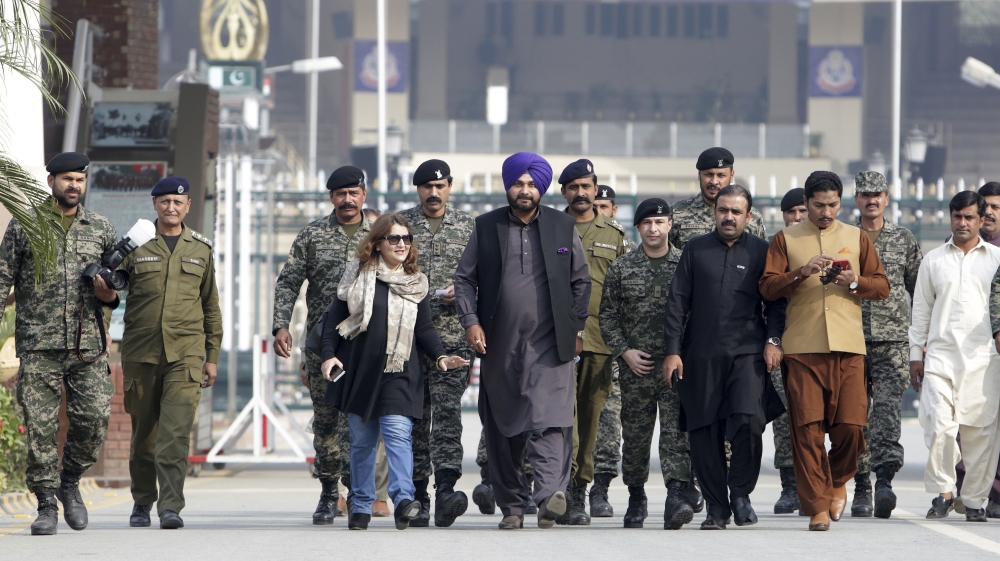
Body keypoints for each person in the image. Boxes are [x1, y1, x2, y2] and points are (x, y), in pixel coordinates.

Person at [454, 152, 591, 530]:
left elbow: (581, 281)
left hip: (551, 343)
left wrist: (576, 329)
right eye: (518, 183)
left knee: (551, 420)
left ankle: (549, 497)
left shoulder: (563, 226)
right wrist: (471, 322)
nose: (525, 190)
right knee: (504, 425)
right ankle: (513, 506)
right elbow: (464, 279)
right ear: (508, 186)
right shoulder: (486, 227)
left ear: (541, 188)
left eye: (532, 184)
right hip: (500, 344)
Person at [320, 213, 469, 530]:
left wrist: (441, 356)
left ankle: (403, 500)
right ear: (377, 243)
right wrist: (328, 356)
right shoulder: (358, 275)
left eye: (406, 238)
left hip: (399, 370)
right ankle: (361, 505)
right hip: (359, 370)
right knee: (362, 442)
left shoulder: (417, 282)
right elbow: (335, 317)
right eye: (394, 238)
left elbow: (424, 328)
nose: (402, 244)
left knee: (398, 435)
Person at [759, 171, 890, 531]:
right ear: (806, 202)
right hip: (802, 349)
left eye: (833, 204)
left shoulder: (856, 237)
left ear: (840, 202)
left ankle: (836, 480)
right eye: (819, 205)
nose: (826, 212)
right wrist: (800, 273)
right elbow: (767, 287)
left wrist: (855, 281)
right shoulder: (785, 239)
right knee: (807, 430)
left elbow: (882, 286)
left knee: (852, 426)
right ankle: (817, 505)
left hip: (849, 347)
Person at [0, 152, 120, 535]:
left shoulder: (101, 228)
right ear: (51, 181)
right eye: (67, 178)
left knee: (94, 418)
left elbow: (116, 287)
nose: (74, 185)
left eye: (80, 180)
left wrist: (109, 295)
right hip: (39, 345)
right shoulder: (25, 225)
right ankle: (46, 504)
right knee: (39, 426)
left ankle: (70, 480)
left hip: (88, 345)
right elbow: (2, 278)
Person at [663, 185, 786, 530]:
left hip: (748, 353)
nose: (728, 217)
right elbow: (676, 303)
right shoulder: (695, 249)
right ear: (714, 212)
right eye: (723, 210)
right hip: (700, 355)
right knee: (704, 432)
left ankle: (740, 493)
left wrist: (773, 340)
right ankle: (717, 509)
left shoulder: (762, 250)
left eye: (736, 211)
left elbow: (776, 303)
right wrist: (672, 352)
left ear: (748, 216)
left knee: (749, 420)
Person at [119, 177, 222, 529]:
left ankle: (170, 507)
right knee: (144, 437)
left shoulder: (201, 249)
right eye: (164, 201)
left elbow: (211, 306)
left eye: (178, 202)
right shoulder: (136, 245)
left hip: (186, 354)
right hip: (141, 353)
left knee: (175, 434)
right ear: (155, 205)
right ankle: (142, 500)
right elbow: (110, 292)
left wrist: (211, 356)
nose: (171, 207)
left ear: (188, 206)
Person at [272, 166, 372, 524]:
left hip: (364, 344)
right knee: (327, 421)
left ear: (364, 195)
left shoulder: (379, 235)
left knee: (360, 421)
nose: (347, 199)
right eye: (340, 193)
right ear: (331, 197)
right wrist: (281, 325)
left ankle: (359, 493)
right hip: (322, 344)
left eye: (353, 193)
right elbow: (288, 283)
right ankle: (330, 491)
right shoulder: (312, 235)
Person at [599, 198, 700, 530]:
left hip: (676, 367)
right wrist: (624, 352)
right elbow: (607, 317)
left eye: (659, 222)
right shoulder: (622, 267)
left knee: (676, 434)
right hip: (637, 369)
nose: (653, 229)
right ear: (638, 227)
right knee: (635, 436)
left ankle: (675, 496)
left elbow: (699, 315)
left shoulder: (686, 265)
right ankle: (636, 496)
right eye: (646, 223)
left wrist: (685, 354)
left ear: (670, 224)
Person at [911, 191, 1000, 523]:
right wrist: (915, 354)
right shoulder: (934, 260)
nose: (962, 223)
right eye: (957, 216)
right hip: (940, 357)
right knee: (940, 425)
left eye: (969, 217)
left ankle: (974, 501)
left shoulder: (996, 259)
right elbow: (921, 310)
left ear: (981, 220)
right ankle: (944, 492)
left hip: (984, 359)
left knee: (981, 433)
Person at [399, 159, 475, 527]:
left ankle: (446, 490)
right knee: (414, 417)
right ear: (418, 189)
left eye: (440, 186)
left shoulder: (468, 227)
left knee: (447, 414)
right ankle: (417, 495)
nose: (434, 192)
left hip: (453, 339)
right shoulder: (400, 226)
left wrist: (465, 292)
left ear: (449, 187)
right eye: (427, 187)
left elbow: (487, 275)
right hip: (407, 339)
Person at [556, 159, 629, 525]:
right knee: (558, 416)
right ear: (564, 192)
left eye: (586, 186)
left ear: (595, 189)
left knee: (589, 418)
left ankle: (578, 491)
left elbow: (625, 289)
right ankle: (555, 485)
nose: (581, 193)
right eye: (574, 187)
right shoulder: (551, 228)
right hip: (555, 339)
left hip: (599, 341)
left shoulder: (614, 235)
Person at [849, 171, 922, 519]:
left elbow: (920, 290)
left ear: (887, 198)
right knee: (855, 416)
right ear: (856, 199)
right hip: (851, 338)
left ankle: (884, 481)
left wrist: (921, 341)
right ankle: (861, 484)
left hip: (893, 341)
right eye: (865, 194)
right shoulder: (844, 237)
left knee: (888, 412)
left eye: (877, 194)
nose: (872, 200)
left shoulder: (903, 238)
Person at [955, 181, 1000, 518]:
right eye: (987, 208)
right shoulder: (957, 249)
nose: (990, 213)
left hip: (992, 348)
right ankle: (970, 492)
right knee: (968, 422)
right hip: (968, 351)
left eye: (997, 207)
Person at [591, 184, 631, 517]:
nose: (599, 211)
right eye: (595, 205)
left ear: (614, 210)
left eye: (604, 206)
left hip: (611, 344)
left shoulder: (621, 242)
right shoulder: (567, 232)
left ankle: (600, 488)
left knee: (609, 419)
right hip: (577, 341)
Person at [772, 187, 807, 516]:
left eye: (802, 211)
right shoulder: (777, 246)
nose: (797, 217)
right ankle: (789, 486)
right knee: (783, 416)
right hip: (781, 344)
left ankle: (818, 483)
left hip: (814, 343)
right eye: (791, 212)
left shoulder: (823, 247)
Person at [668, 147, 767, 250]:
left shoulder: (752, 217)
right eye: (708, 175)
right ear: (699, 175)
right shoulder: (677, 212)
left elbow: (762, 253)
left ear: (731, 175)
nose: (714, 182)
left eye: (721, 175)